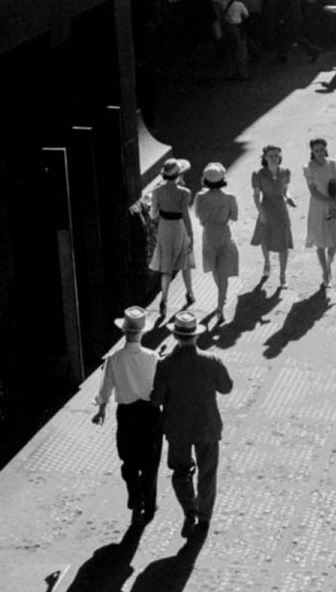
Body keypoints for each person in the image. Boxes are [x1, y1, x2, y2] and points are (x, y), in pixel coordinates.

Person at [151, 311, 233, 539]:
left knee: (180, 472)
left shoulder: (165, 365)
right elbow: (227, 387)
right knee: (208, 473)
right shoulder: (211, 361)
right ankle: (205, 517)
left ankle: (189, 510)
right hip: (207, 426)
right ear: (196, 336)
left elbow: (156, 399)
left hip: (177, 429)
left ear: (176, 336)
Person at [91, 307, 162, 525]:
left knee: (129, 460)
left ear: (124, 332)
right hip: (150, 413)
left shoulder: (114, 359)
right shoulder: (153, 357)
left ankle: (135, 496)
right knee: (151, 462)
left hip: (127, 414)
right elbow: (160, 386)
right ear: (142, 332)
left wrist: (101, 408)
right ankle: (149, 504)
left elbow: (106, 387)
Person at [148, 158, 195, 317]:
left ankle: (164, 299)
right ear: (178, 175)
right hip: (180, 228)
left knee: (166, 268)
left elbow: (153, 214)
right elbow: (186, 216)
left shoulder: (157, 191)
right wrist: (191, 235)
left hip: (165, 228)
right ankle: (189, 293)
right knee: (185, 263)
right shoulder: (185, 192)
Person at [194, 163, 239, 324]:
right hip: (224, 234)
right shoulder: (229, 197)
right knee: (224, 271)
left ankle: (221, 298)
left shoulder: (200, 197)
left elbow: (199, 217)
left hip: (208, 235)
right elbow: (234, 217)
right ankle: (221, 304)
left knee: (215, 268)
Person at [304, 138, 336, 288]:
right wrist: (328, 201)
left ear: (325, 149)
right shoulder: (308, 167)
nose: (319, 153)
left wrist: (335, 202)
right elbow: (313, 191)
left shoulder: (333, 164)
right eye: (316, 150)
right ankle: (325, 271)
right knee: (320, 241)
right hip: (317, 208)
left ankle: (329, 264)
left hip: (332, 204)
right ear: (312, 151)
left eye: (321, 149)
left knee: (335, 239)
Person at [250, 145, 295, 287]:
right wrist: (261, 212)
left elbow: (285, 191)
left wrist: (289, 198)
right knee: (265, 241)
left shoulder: (285, 172)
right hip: (267, 209)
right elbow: (256, 196)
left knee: (284, 243)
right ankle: (267, 262)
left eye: (276, 155)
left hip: (281, 211)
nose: (274, 158)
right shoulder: (258, 175)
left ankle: (282, 274)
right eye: (271, 156)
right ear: (265, 157)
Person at [219, 0, 250, 79]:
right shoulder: (239, 4)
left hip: (226, 28)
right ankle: (241, 73)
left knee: (228, 51)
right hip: (236, 28)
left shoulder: (222, 2)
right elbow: (246, 14)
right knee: (239, 50)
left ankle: (229, 73)